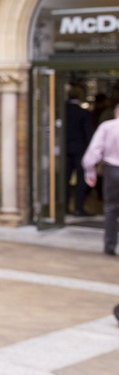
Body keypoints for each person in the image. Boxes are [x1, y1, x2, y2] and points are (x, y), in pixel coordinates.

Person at [83, 105, 119, 255]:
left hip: (112, 170)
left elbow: (94, 150)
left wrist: (89, 171)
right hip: (111, 169)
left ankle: (110, 246)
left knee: (111, 208)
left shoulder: (108, 126)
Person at [65, 86, 95, 216]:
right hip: (80, 150)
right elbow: (89, 133)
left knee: (64, 180)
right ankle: (78, 208)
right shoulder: (83, 112)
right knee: (81, 180)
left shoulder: (62, 110)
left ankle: (64, 208)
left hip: (64, 150)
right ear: (80, 97)